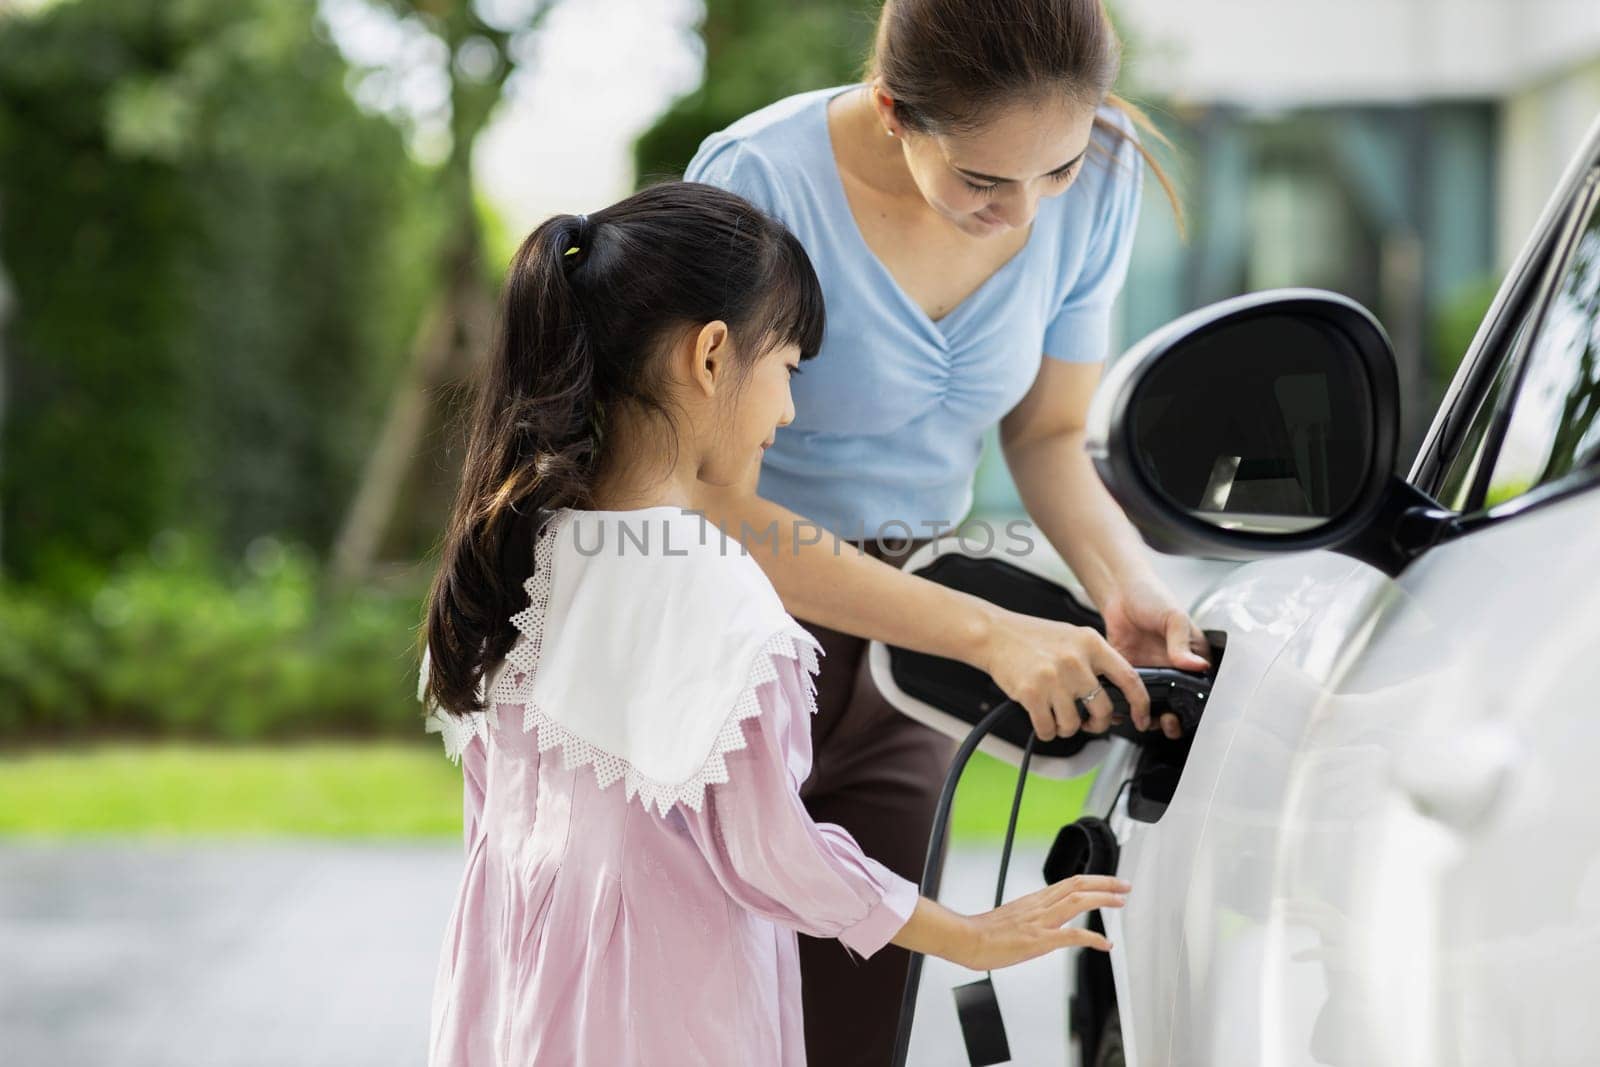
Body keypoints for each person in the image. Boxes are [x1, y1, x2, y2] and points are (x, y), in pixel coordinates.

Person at [418, 181, 1131, 1066]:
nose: (788, 413)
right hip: (667, 1014)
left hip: (511, 1005)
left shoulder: (515, 557)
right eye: (787, 367)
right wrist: (969, 935)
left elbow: (493, 828)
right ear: (712, 356)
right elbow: (770, 851)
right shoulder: (720, 591)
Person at [679, 2, 1213, 1061]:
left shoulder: (1099, 175)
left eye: (1051, 172)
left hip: (909, 651)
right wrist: (982, 633)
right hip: (727, 628)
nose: (1022, 214)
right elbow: (708, 495)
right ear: (892, 109)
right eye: (983, 181)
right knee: (701, 1011)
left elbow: (1051, 431)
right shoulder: (757, 183)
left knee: (856, 1020)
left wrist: (1128, 582)